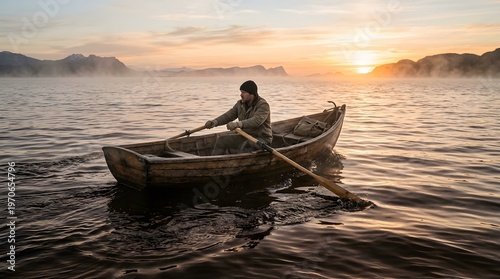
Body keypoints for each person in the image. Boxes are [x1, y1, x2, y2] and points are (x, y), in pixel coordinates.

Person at [205, 80, 272, 155]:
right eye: (241, 92)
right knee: (222, 140)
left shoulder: (263, 105)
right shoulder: (240, 104)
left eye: (243, 92)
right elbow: (228, 116)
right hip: (245, 136)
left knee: (247, 144)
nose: (241, 95)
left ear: (251, 94)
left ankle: (237, 164)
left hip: (262, 139)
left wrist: (238, 124)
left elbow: (257, 121)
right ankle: (214, 161)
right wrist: (215, 122)